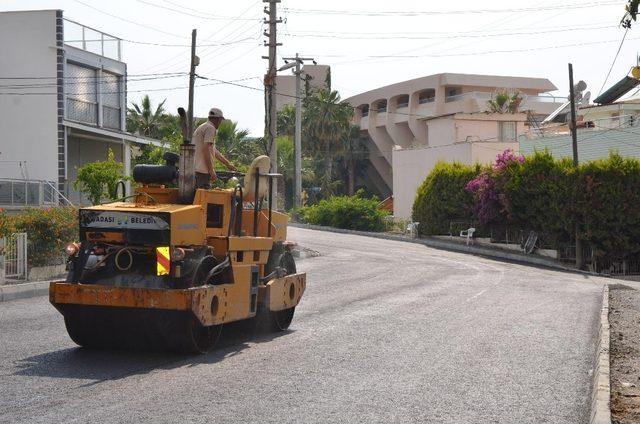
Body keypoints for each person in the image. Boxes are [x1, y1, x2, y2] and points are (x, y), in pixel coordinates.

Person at [193, 107, 237, 189]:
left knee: (196, 197)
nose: (220, 123)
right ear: (218, 119)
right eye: (220, 121)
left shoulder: (202, 127)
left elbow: (213, 150)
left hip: (196, 169)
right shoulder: (210, 128)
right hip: (203, 171)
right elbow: (206, 149)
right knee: (203, 198)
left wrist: (228, 164)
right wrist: (211, 170)